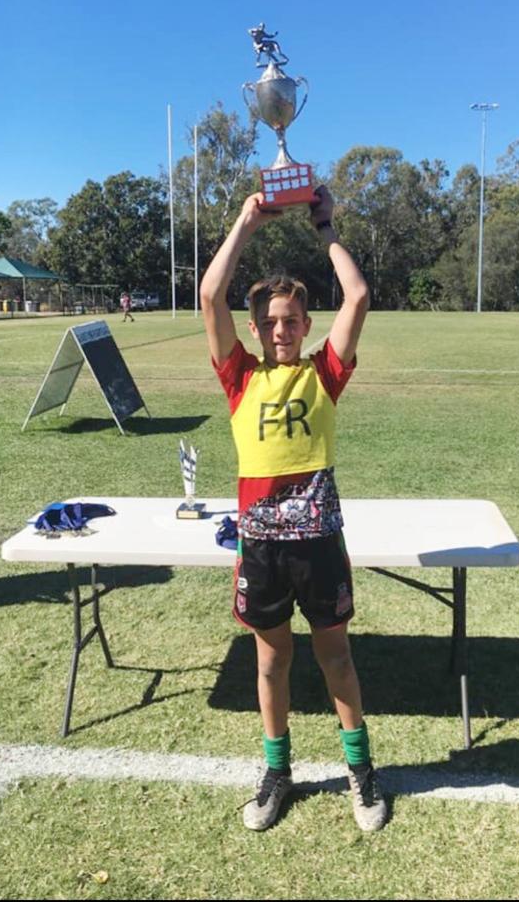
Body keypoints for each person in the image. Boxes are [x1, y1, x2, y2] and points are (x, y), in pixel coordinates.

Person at [200, 185, 387, 833]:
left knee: (336, 658)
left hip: (317, 544)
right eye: (270, 321)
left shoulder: (323, 374)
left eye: (291, 320)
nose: (281, 329)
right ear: (255, 328)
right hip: (262, 549)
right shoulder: (238, 376)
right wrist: (246, 223)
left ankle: (361, 771)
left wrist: (326, 228)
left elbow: (358, 296)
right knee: (271, 661)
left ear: (306, 325)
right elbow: (208, 295)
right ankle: (277, 773)